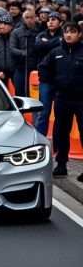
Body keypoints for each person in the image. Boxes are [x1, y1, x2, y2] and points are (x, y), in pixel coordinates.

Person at [38, 22, 83, 179]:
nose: (69, 35)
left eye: (72, 32)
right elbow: (43, 67)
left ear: (79, 34)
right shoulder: (56, 52)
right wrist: (53, 83)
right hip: (62, 99)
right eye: (66, 32)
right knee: (60, 131)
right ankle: (61, 164)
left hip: (80, 99)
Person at [34, 12, 64, 136]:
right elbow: (37, 45)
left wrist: (47, 43)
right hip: (45, 79)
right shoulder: (41, 34)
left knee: (60, 113)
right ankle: (40, 140)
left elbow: (62, 44)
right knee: (43, 112)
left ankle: (58, 143)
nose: (50, 22)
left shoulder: (64, 35)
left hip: (60, 79)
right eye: (48, 20)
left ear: (61, 22)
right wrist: (55, 41)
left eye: (53, 19)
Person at [8, 9, 39, 97]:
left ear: (35, 18)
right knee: (20, 92)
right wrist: (23, 53)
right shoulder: (16, 32)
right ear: (23, 19)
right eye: (27, 18)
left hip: (35, 66)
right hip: (20, 66)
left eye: (31, 17)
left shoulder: (40, 31)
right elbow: (12, 48)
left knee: (34, 93)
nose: (29, 20)